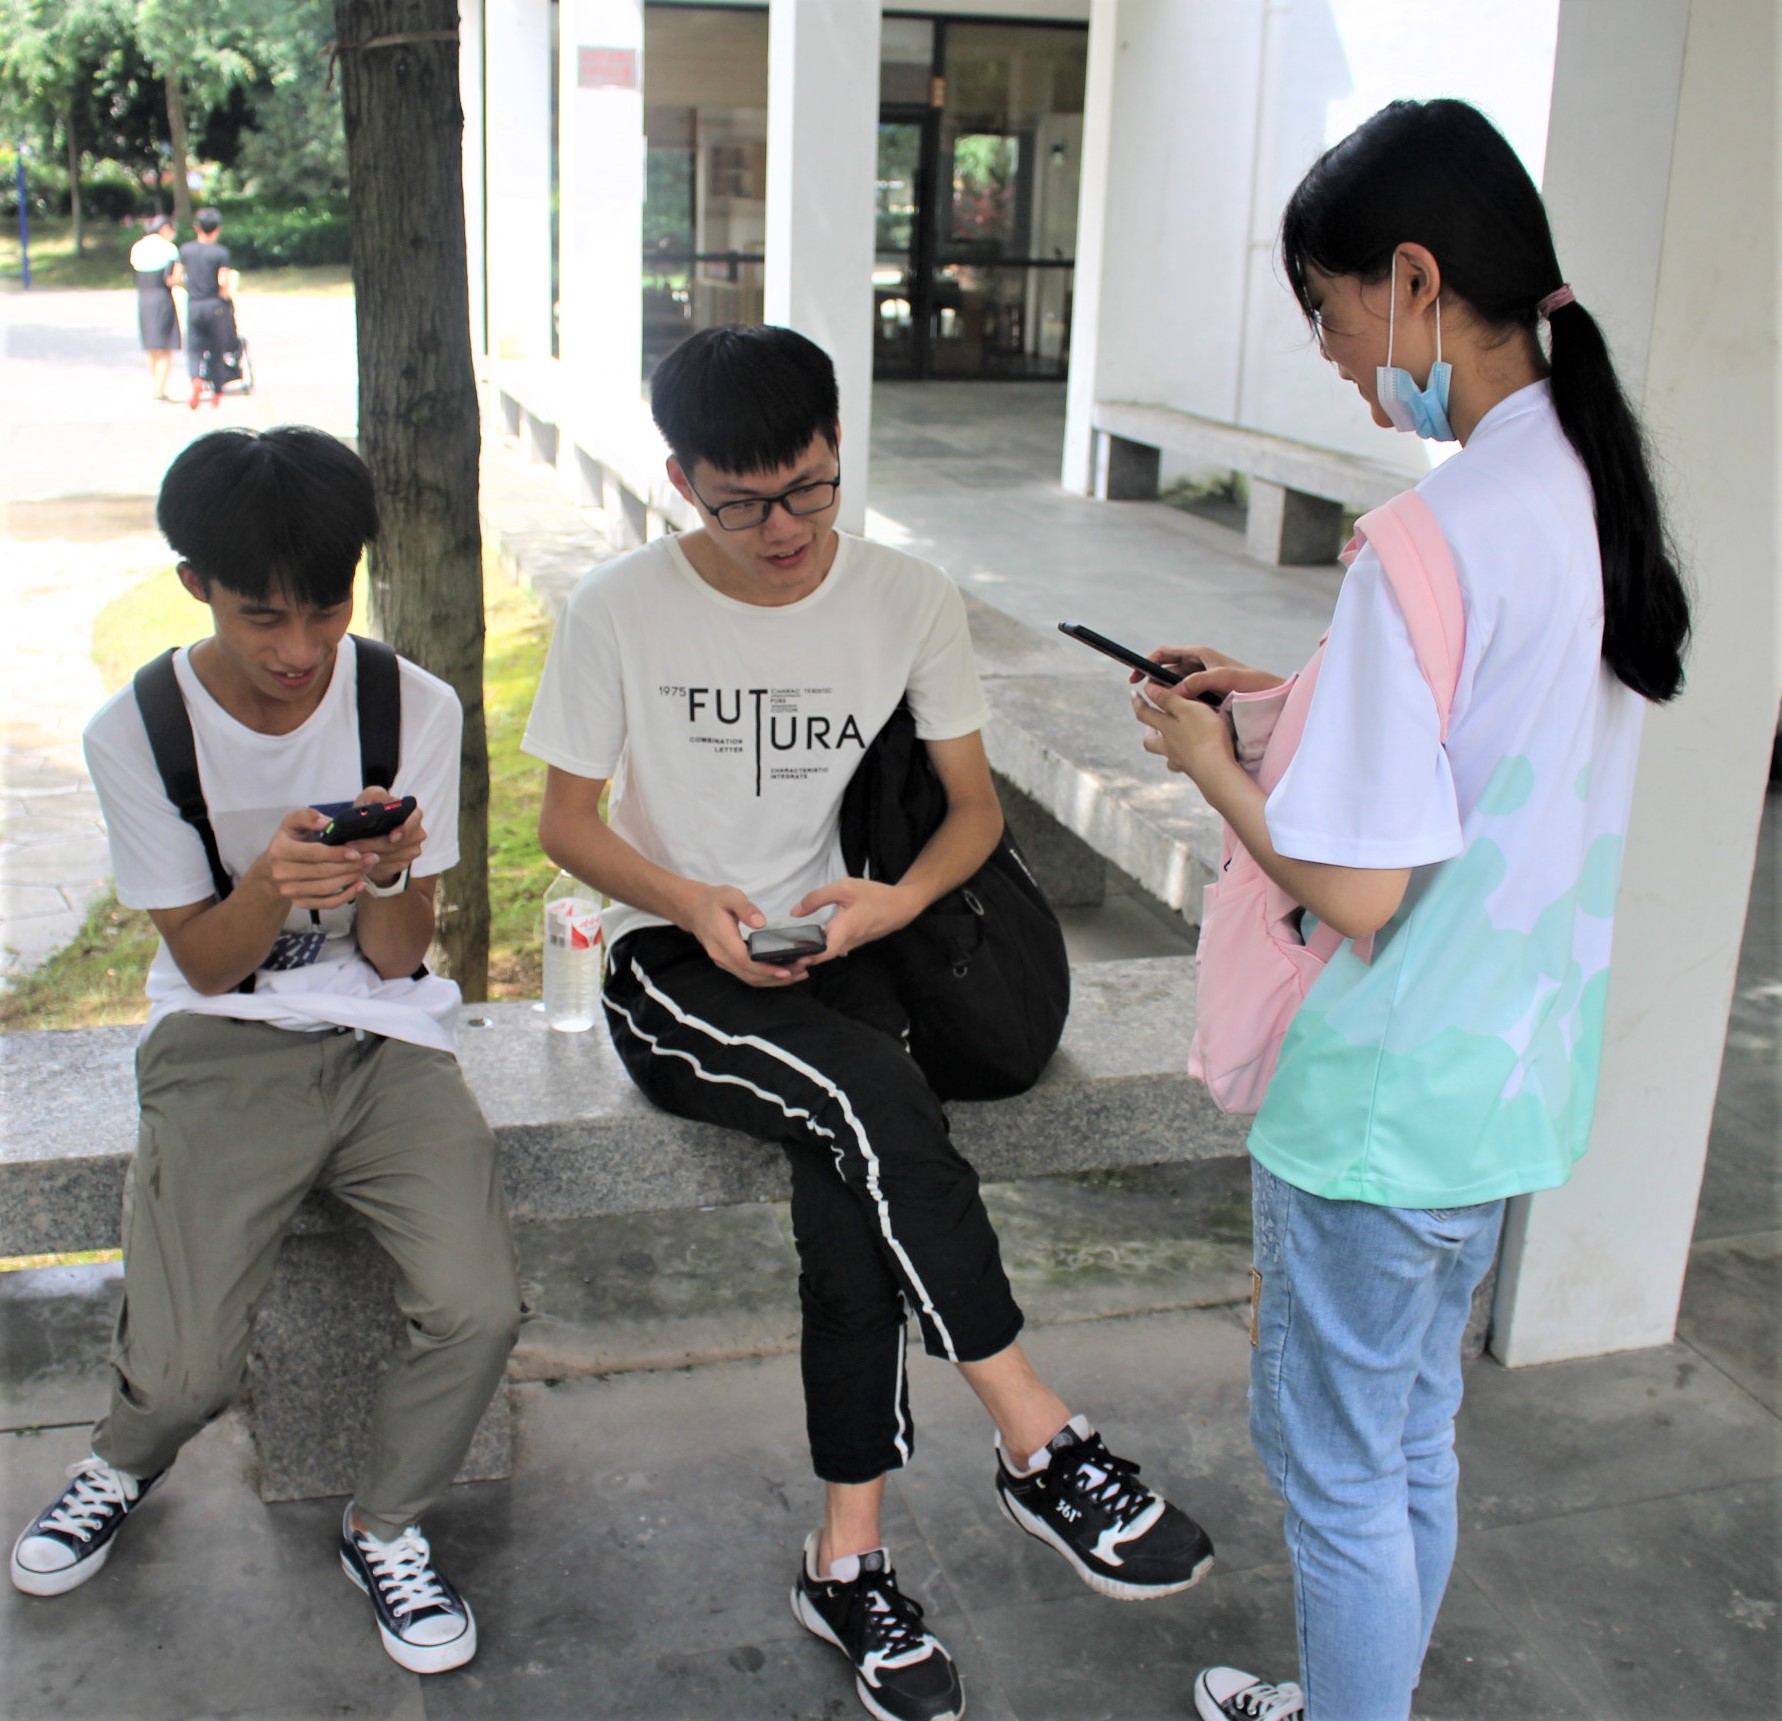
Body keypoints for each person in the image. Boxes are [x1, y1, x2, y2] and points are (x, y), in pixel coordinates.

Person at [525, 323, 1215, 1721]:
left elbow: (972, 811)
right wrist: (693, 900)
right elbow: (565, 823)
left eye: (809, 488)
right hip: (674, 962)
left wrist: (891, 904)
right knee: (870, 1103)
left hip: (840, 945)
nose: (784, 529)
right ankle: (1039, 1437)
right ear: (681, 480)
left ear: (838, 447)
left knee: (851, 1196)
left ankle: (848, 1562)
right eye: (742, 504)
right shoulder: (620, 607)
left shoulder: (905, 595)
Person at [1129, 100, 1692, 1721]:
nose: (1330, 355)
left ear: (1418, 280)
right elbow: (1477, 751)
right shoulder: (1581, 485)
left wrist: (1209, 765)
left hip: (1379, 1100)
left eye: (1329, 312)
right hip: (1502, 1080)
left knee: (1336, 1477)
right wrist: (1278, 698)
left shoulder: (1424, 539)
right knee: (1408, 1439)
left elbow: (1358, 882)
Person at [8, 427, 522, 1678]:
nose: (299, 650)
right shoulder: (140, 730)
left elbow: (400, 955)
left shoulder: (410, 704)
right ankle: (123, 1458)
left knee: (477, 1306)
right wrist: (273, 883)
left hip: (387, 1040)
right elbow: (204, 961)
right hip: (223, 1038)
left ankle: (383, 1524)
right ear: (197, 585)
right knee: (184, 1371)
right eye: (262, 616)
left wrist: (387, 874)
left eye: (326, 609)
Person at [179, 206, 238, 407]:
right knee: (216, 348)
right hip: (215, 305)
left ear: (197, 227)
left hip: (194, 304)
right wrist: (225, 294)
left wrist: (190, 287)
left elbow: (176, 277)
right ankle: (217, 393)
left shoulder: (185, 250)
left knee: (194, 348)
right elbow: (223, 281)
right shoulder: (220, 252)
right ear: (217, 229)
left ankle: (196, 380)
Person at [128, 214, 182, 400]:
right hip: (162, 298)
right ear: (165, 228)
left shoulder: (137, 247)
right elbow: (172, 278)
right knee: (165, 346)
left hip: (144, 297)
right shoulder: (169, 248)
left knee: (151, 346)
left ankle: (155, 385)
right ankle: (160, 389)